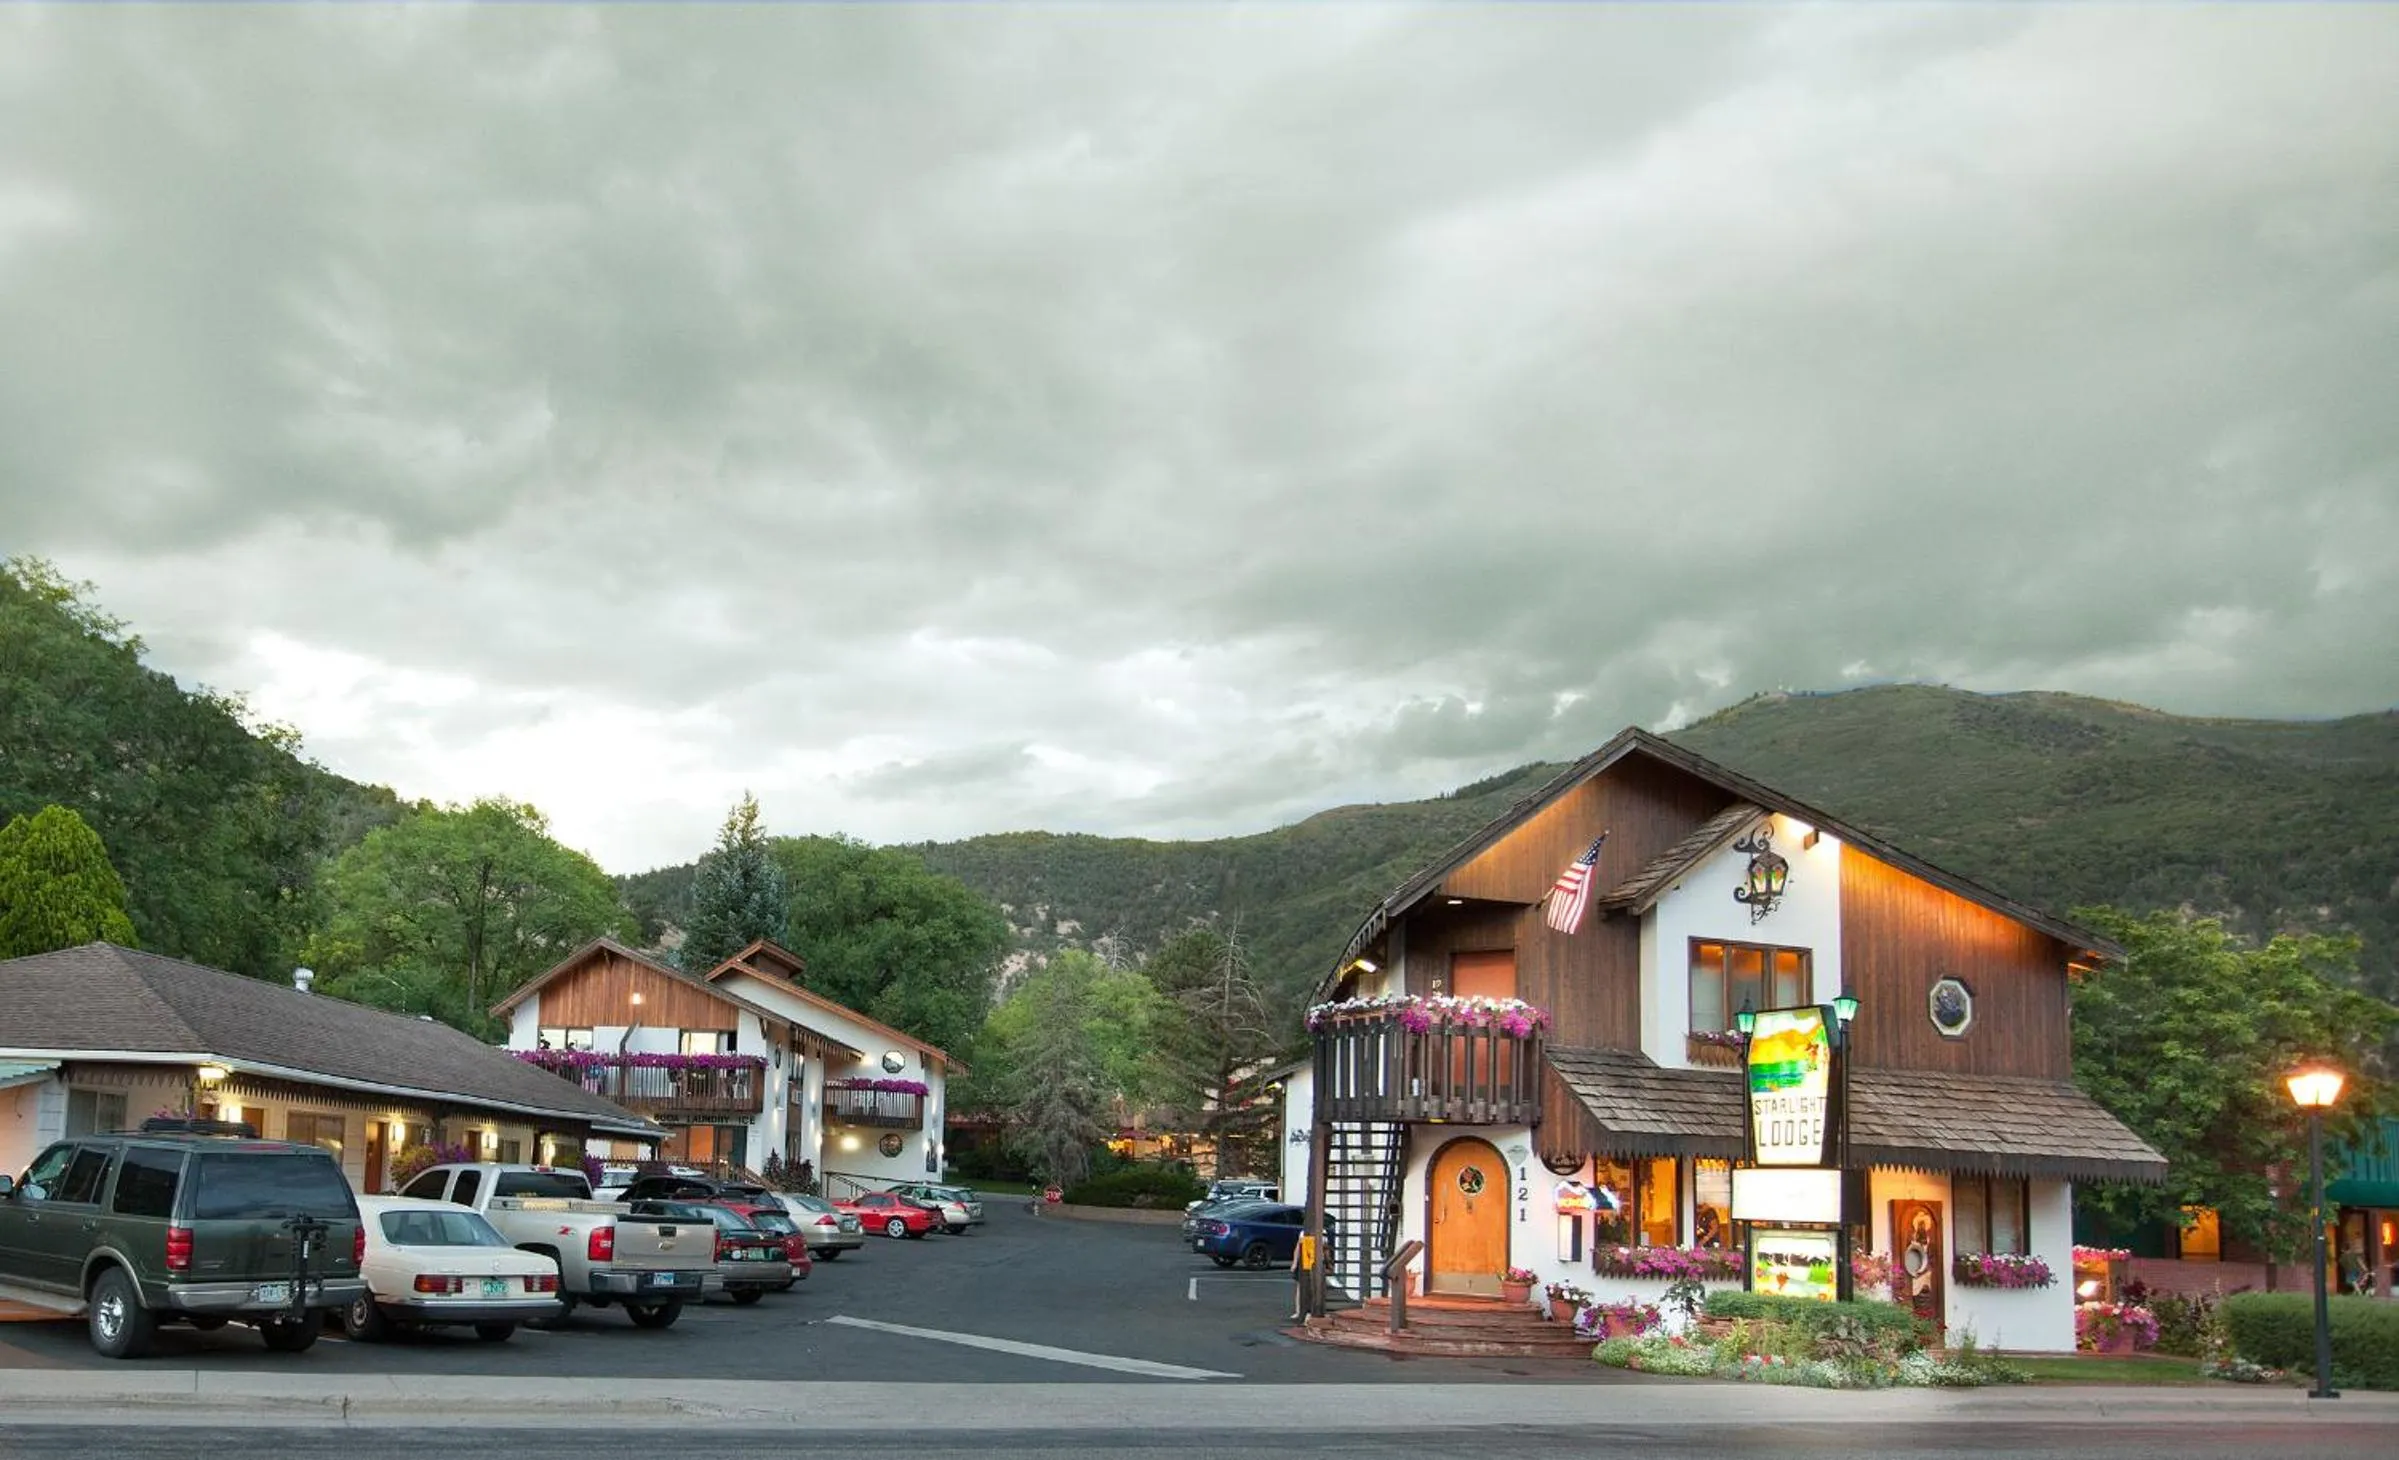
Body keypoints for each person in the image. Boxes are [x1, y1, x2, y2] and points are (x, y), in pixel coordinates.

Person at [1289, 1227, 1320, 1321]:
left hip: (1315, 1263)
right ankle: (1299, 1311)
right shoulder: (1303, 1232)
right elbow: (1298, 1248)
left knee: (1313, 1288)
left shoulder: (1322, 1232)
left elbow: (1324, 1249)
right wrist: (1295, 1263)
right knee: (1300, 1287)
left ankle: (1310, 1311)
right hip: (1304, 1262)